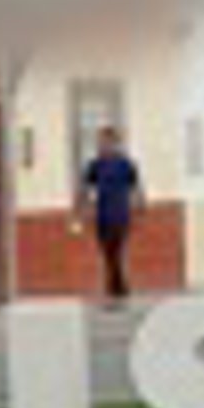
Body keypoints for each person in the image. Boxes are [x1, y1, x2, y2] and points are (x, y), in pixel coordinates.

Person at [77, 127, 144, 306]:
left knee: (117, 250)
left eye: (107, 142)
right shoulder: (95, 165)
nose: (103, 146)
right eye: (101, 142)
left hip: (120, 214)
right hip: (103, 214)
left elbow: (135, 185)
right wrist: (82, 207)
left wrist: (139, 205)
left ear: (115, 143)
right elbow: (86, 187)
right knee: (107, 251)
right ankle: (118, 286)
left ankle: (115, 287)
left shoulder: (125, 164)